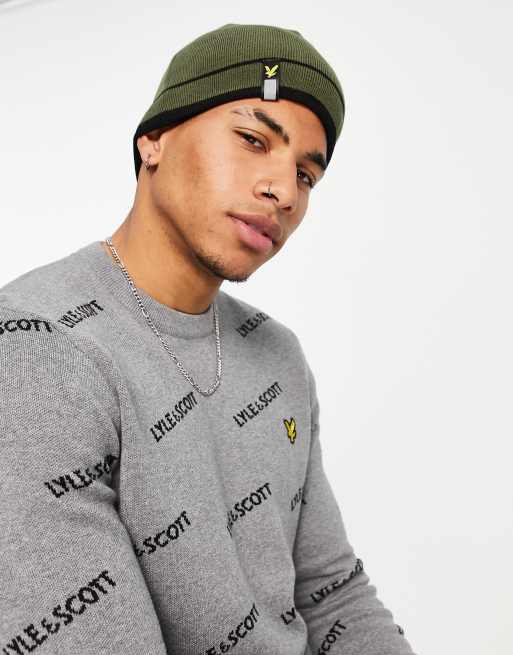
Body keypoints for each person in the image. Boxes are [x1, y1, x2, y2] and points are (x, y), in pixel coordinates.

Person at [0, 23, 416, 655]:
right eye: (253, 140)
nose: (283, 192)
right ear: (154, 139)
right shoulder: (36, 350)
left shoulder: (277, 355)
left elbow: (333, 595)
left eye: (306, 175)